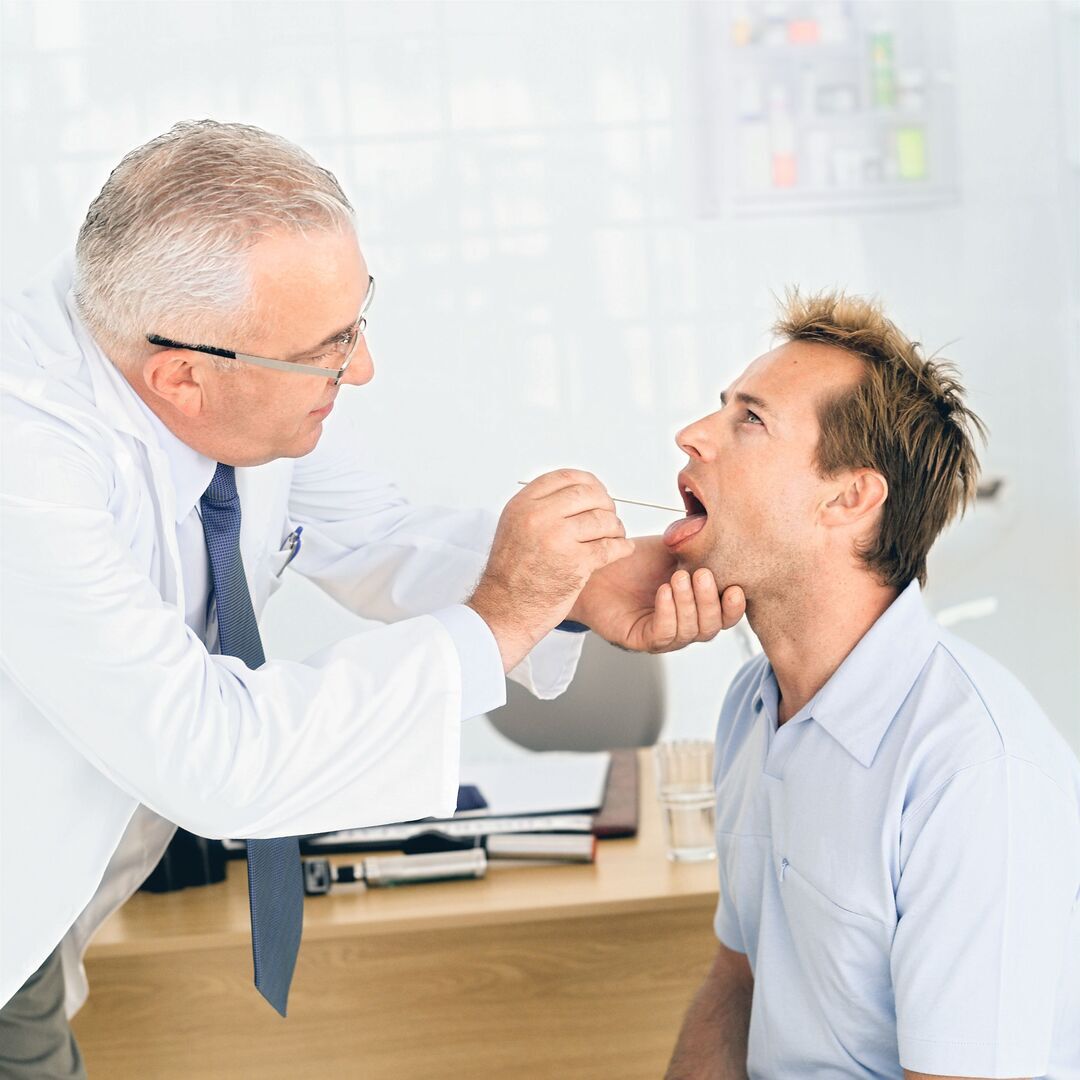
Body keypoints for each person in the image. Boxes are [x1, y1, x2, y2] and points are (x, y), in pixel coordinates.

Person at [0, 120, 746, 1077]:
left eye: (357, 322)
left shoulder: (190, 326)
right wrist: (499, 619)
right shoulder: (27, 457)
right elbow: (213, 755)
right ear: (181, 377)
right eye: (332, 348)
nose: (360, 369)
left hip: (47, 905)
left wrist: (575, 587)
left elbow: (371, 533)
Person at [663, 291, 1080, 1080]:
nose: (693, 434)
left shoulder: (974, 771)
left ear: (849, 498)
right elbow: (737, 984)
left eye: (749, 419)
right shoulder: (753, 706)